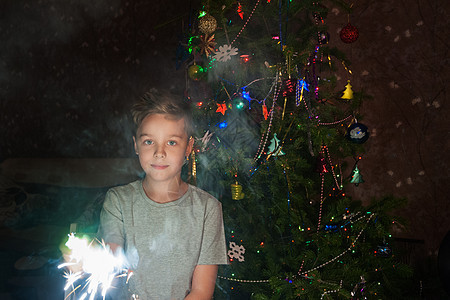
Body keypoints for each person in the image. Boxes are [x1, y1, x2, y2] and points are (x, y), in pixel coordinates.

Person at [97, 90, 228, 299]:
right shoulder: (118, 202)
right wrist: (88, 263)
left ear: (189, 147)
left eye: (172, 142)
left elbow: (201, 291)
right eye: (149, 141)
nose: (160, 152)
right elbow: (112, 270)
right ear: (136, 145)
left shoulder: (207, 209)